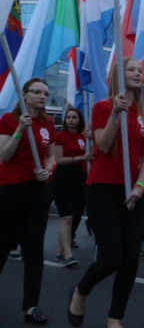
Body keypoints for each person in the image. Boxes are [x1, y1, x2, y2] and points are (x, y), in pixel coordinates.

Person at [68, 58, 144, 328]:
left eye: (140, 70)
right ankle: (81, 290)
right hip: (103, 189)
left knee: (130, 259)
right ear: (119, 74)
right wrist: (116, 115)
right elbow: (103, 146)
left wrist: (140, 185)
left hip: (132, 193)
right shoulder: (103, 107)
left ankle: (115, 317)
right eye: (131, 69)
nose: (138, 73)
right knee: (111, 257)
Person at [0, 78, 56, 325]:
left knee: (34, 250)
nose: (43, 97)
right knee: (3, 245)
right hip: (10, 190)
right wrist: (19, 130)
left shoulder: (48, 123)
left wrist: (48, 170)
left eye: (46, 93)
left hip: (38, 192)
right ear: (24, 95)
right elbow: (4, 156)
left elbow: (51, 156)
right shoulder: (9, 120)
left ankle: (31, 305)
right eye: (37, 92)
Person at [53, 106, 92, 267]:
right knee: (66, 217)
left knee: (73, 216)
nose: (70, 120)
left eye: (74, 117)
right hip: (63, 178)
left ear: (79, 120)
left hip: (79, 178)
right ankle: (68, 255)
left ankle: (59, 252)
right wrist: (80, 157)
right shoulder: (60, 136)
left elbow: (92, 155)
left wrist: (91, 139)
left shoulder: (84, 137)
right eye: (68, 117)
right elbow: (59, 159)